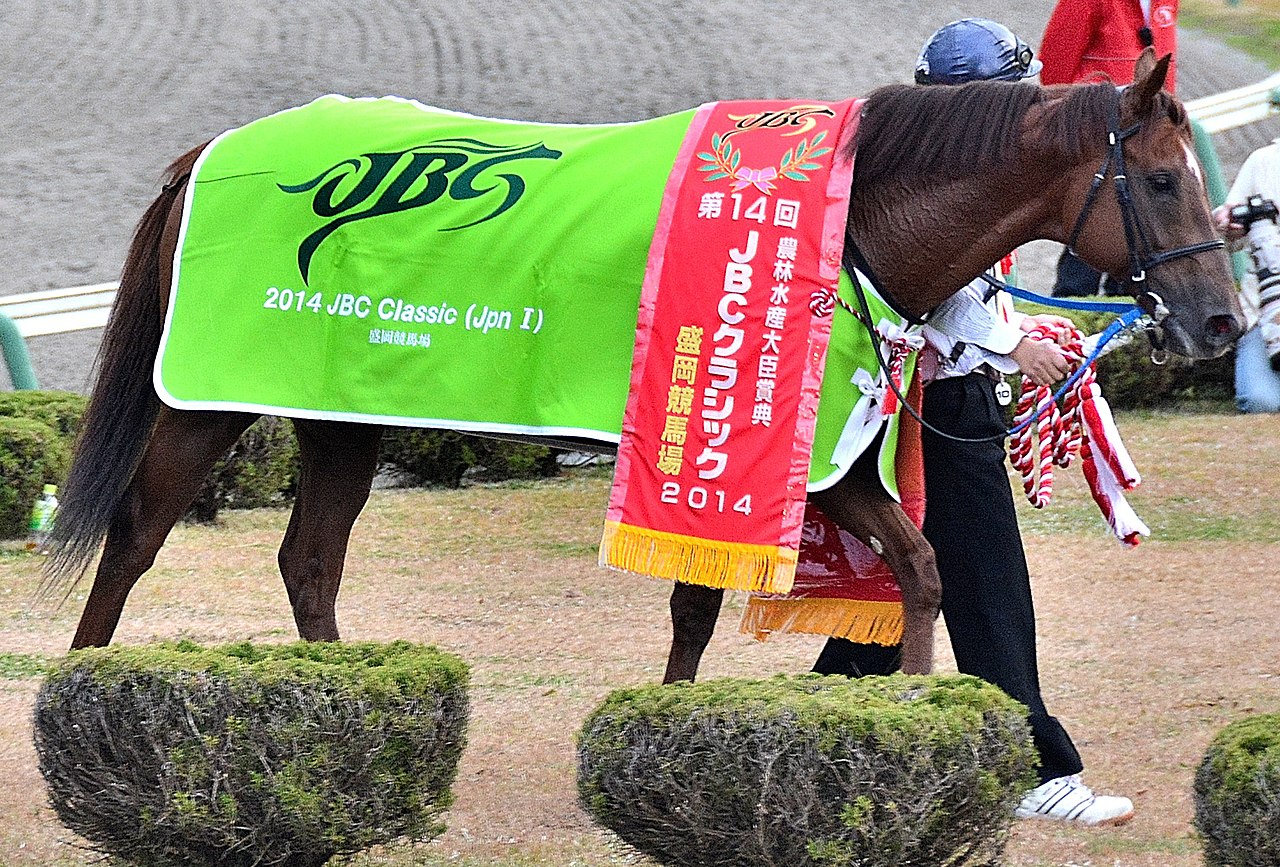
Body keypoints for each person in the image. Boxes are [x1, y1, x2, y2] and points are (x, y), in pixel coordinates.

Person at [812, 18, 1135, 827]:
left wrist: (1019, 332)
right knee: (987, 582)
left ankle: (813, 730)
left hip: (935, 397)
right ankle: (1037, 767)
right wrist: (1012, 342)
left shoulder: (957, 163)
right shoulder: (943, 169)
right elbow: (923, 286)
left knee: (907, 583)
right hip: (932, 403)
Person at [1039, 0, 1180, 296]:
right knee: (1090, 234)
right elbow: (1054, 68)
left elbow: (1164, 67)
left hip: (1142, 141)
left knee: (1141, 235)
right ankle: (1070, 316)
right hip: (1096, 141)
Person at [1214, 138, 1280, 413]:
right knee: (1260, 401)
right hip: (1265, 309)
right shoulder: (1263, 161)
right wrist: (1226, 225)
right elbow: (1229, 238)